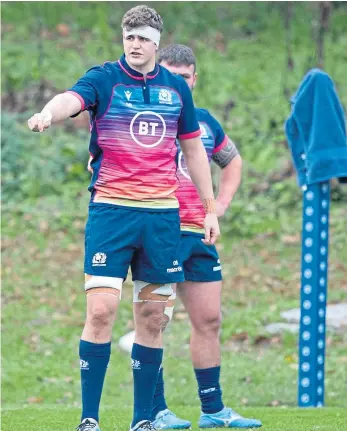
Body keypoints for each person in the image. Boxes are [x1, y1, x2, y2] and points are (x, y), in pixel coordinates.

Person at [27, 7, 220, 431]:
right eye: (129, 36)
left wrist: (209, 208)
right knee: (101, 310)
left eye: (143, 37)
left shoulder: (176, 90)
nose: (135, 43)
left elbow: (193, 151)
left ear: (156, 42)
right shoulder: (104, 79)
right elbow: (71, 99)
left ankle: (142, 420)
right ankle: (89, 418)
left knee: (154, 317)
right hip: (111, 213)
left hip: (161, 218)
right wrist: (48, 113)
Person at [149, 44, 262, 429]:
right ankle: (154, 411)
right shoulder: (144, 118)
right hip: (159, 229)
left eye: (185, 76)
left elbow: (232, 161)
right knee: (155, 321)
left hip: (199, 232)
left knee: (209, 320)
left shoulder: (205, 121)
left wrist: (220, 206)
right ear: (156, 75)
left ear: (194, 80)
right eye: (170, 75)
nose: (178, 83)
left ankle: (213, 410)